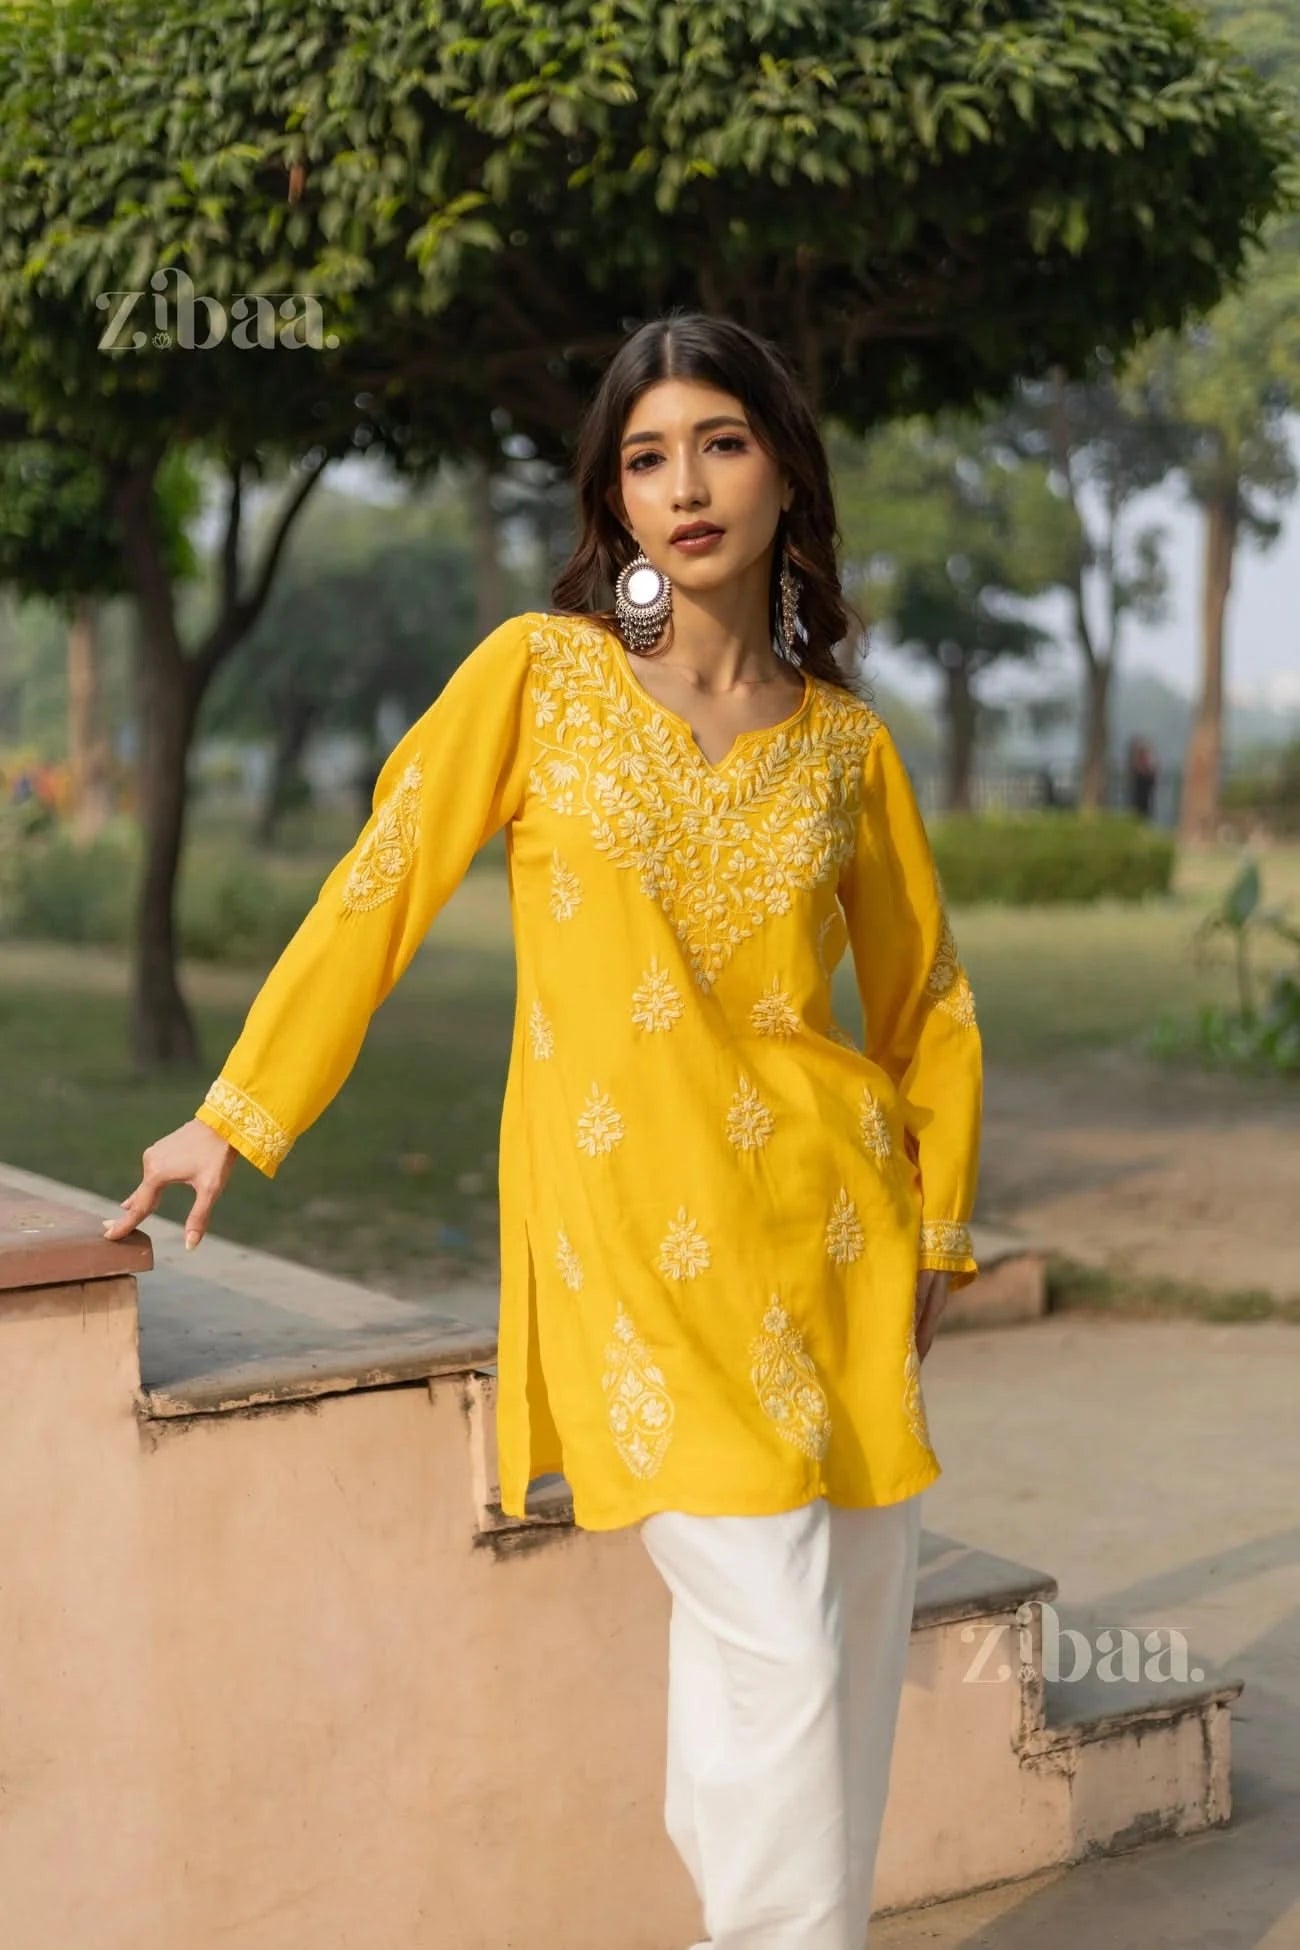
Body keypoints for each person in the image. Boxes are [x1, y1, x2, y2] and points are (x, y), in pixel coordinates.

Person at [103, 312, 983, 1948]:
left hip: (834, 1235)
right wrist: (239, 1108)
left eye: (720, 441)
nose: (685, 485)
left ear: (785, 467)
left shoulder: (848, 748)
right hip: (634, 1230)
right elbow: (383, 879)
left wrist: (939, 1224)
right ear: (614, 499)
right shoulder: (541, 676)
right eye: (646, 457)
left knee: (829, 1651)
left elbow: (926, 1000)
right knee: (780, 1633)